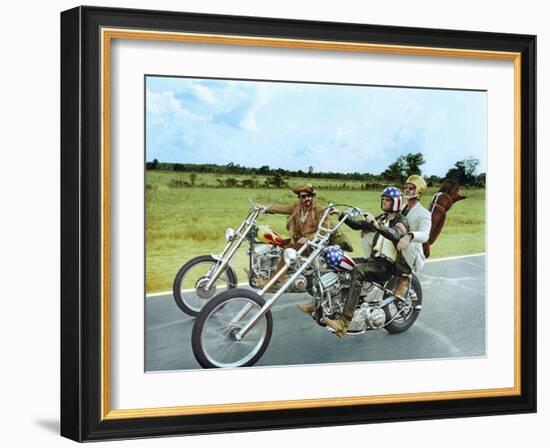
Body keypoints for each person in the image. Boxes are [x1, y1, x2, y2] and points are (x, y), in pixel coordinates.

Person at [324, 187, 409, 337]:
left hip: (387, 266)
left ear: (396, 203)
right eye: (383, 199)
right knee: (339, 263)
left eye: (387, 200)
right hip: (373, 260)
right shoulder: (382, 218)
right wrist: (340, 214)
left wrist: (376, 226)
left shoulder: (401, 221)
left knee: (357, 270)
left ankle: (344, 323)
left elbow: (396, 234)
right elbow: (358, 225)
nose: (384, 202)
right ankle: (322, 305)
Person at [263, 183, 351, 311]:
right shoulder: (297, 207)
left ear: (312, 197)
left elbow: (326, 229)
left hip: (316, 244)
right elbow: (280, 208)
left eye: (309, 196)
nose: (306, 199)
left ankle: (275, 282)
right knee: (278, 245)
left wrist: (309, 239)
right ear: (299, 198)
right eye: (303, 197)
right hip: (302, 242)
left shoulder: (318, 210)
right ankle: (264, 275)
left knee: (289, 251)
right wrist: (264, 208)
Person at [393, 175, 432, 296]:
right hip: (397, 247)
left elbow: (425, 235)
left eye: (411, 188)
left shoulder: (424, 213)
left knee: (409, 244)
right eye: (406, 187)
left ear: (419, 191)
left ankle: (405, 277)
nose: (407, 190)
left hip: (412, 252)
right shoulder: (401, 208)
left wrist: (409, 236)